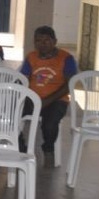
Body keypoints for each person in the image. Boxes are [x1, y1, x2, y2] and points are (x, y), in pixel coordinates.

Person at [19, 26, 78, 165]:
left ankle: (48, 148)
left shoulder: (66, 58)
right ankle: (21, 147)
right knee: (10, 116)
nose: (42, 44)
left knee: (50, 124)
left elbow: (69, 85)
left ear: (54, 41)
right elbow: (23, 79)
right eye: (38, 40)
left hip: (57, 100)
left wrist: (47, 101)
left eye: (46, 40)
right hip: (32, 98)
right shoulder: (31, 57)